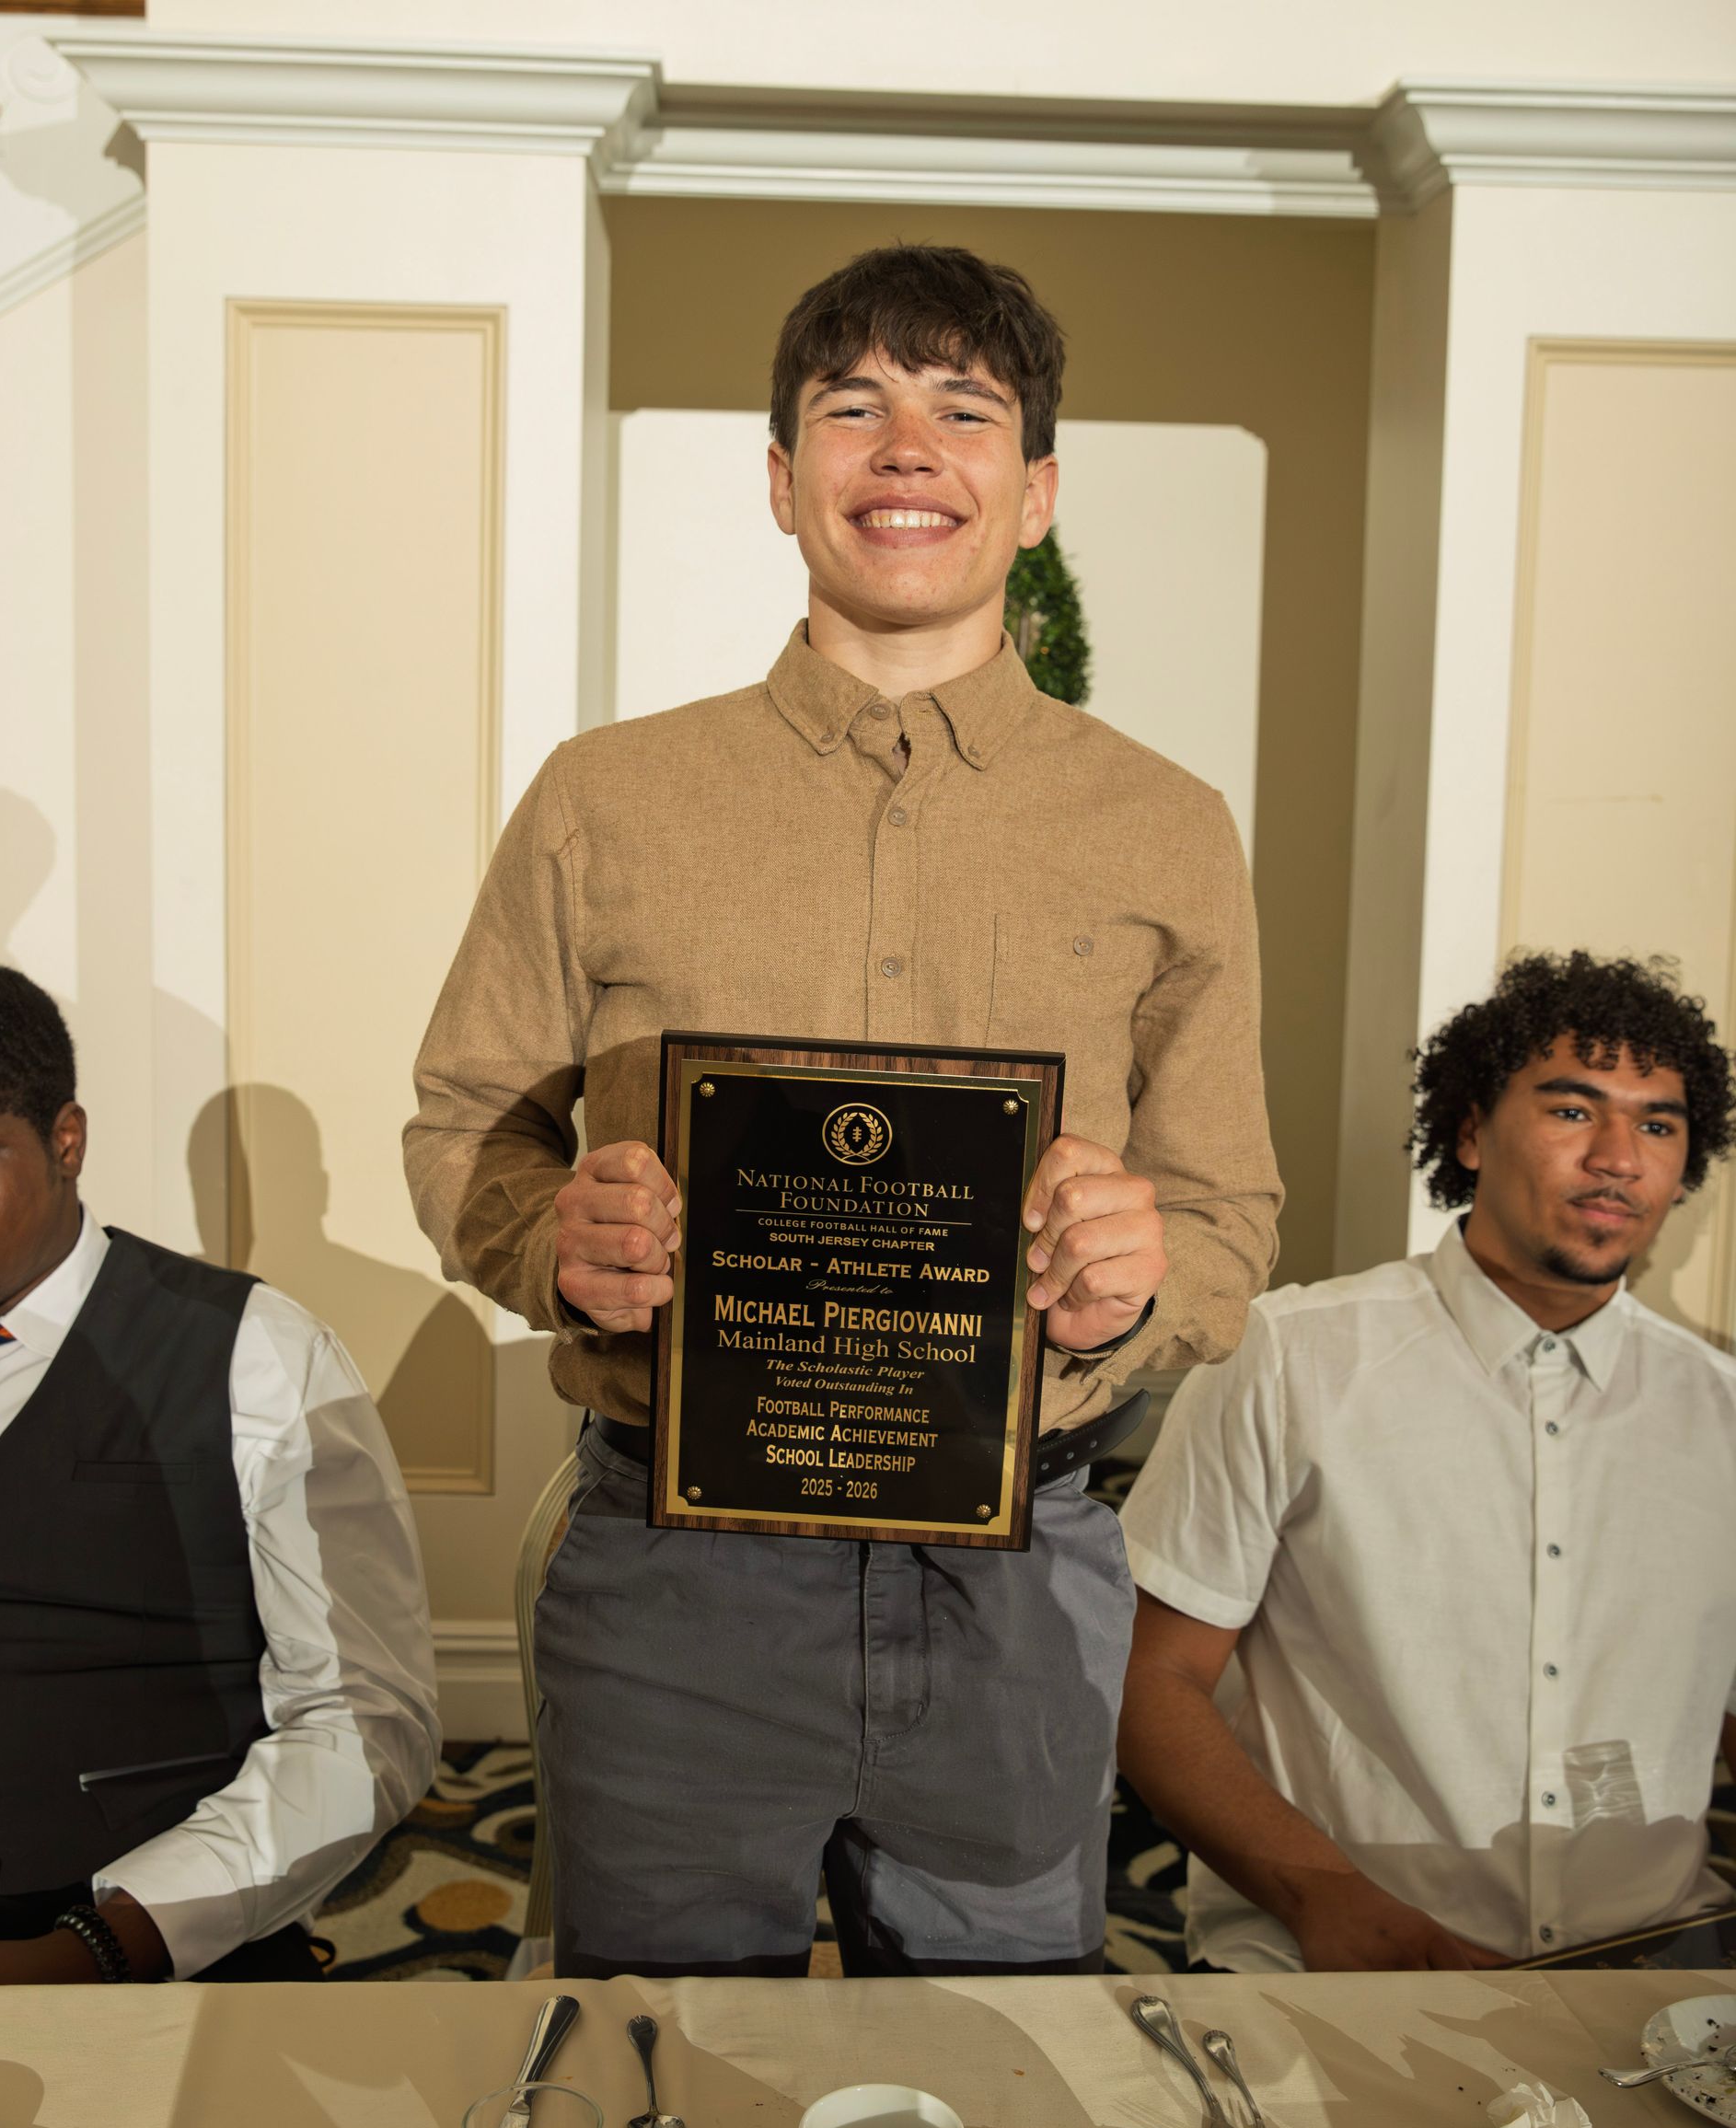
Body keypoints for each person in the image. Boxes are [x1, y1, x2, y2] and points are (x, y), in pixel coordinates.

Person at [406, 243, 1280, 1976]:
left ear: (1031, 493)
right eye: (853, 408)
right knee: (649, 2073)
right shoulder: (609, 796)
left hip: (1023, 1566)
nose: (905, 450)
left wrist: (1146, 1267)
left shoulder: (1167, 827)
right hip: (675, 1571)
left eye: (961, 412)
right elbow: (466, 1122)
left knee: (1003, 2073)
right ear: (784, 480)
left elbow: (1231, 1212)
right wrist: (548, 1236)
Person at [1117, 949, 1736, 1972]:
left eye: (1657, 1123)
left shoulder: (1720, 1417)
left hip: (1658, 1968)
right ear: (1469, 1131)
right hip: (1333, 1963)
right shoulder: (1291, 1356)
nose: (1620, 1156)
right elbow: (1153, 1681)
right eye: (1574, 1110)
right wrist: (1331, 1902)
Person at [0, 962, 440, 1983]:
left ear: (65, 1141)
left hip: (128, 1948)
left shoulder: (256, 1353)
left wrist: (104, 1945)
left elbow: (365, 1727)